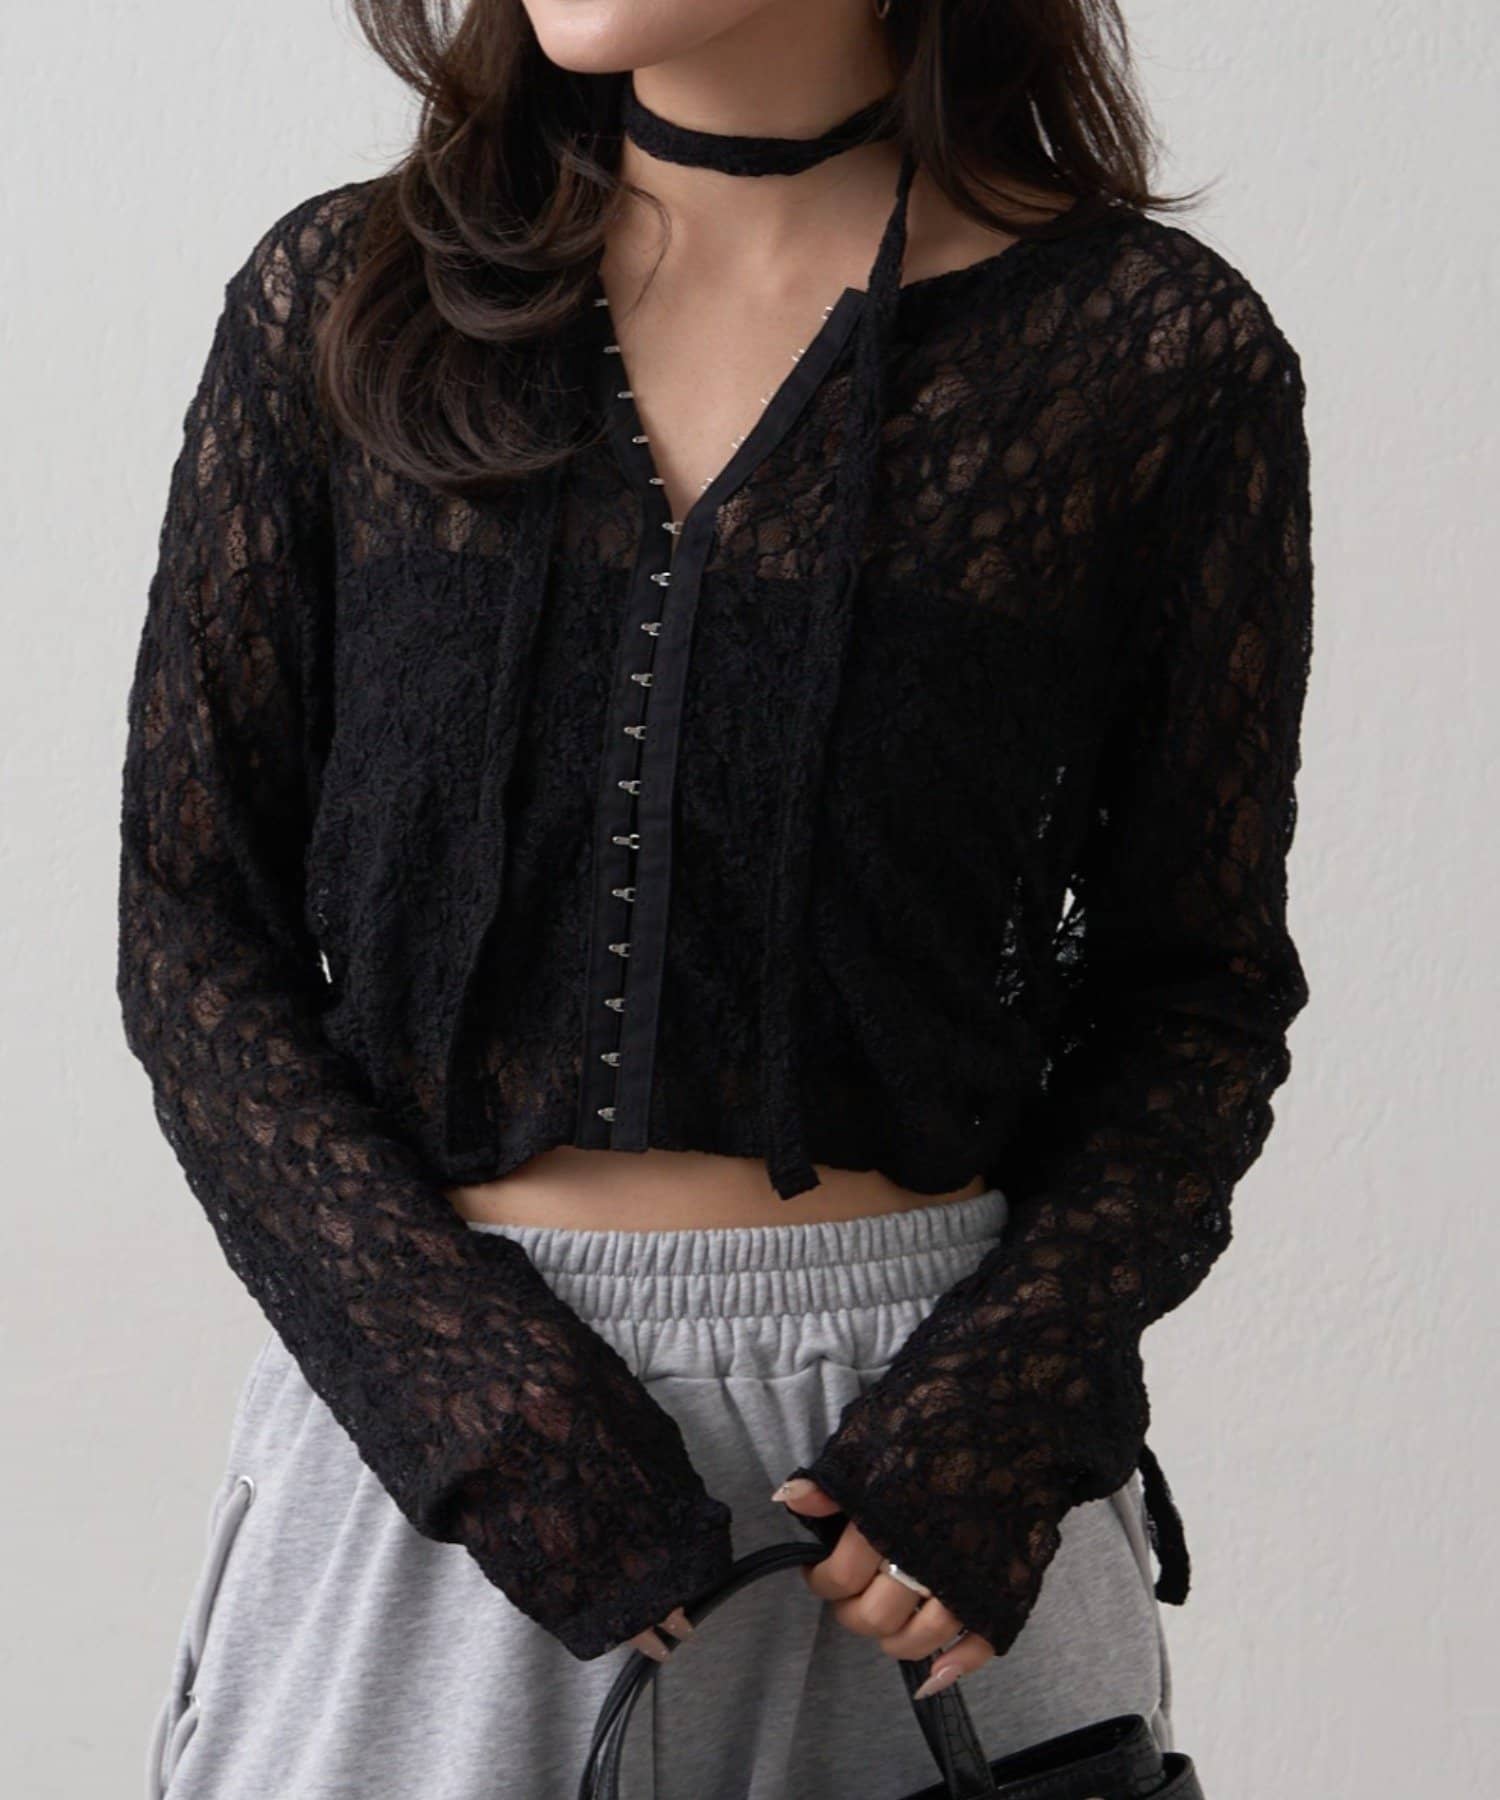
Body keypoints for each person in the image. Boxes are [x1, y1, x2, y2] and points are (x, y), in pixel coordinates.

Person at [119, 2, 1314, 1796]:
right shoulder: (349, 306)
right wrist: (465, 1396)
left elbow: (1196, 992)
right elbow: (191, 922)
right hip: (426, 1468)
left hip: (925, 1513)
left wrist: (1014, 1397)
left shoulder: (1150, 359)